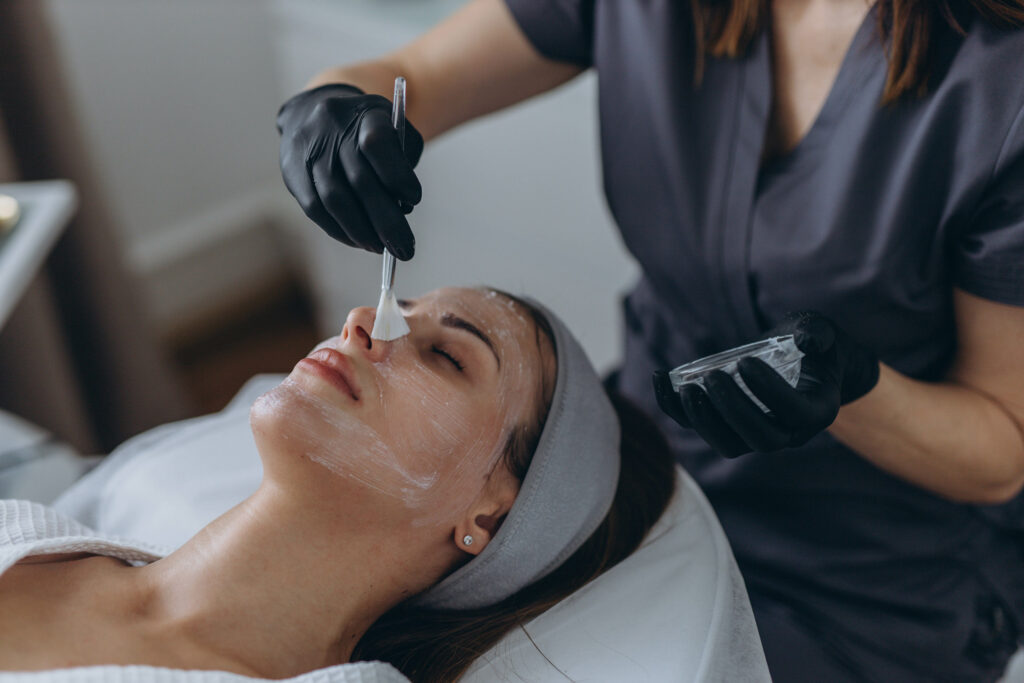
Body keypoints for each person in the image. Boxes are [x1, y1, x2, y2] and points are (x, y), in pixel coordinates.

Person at [275, 1, 1024, 680]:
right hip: (628, 473)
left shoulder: (1003, 82)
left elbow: (1001, 445)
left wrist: (852, 392)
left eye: (450, 353)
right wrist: (332, 106)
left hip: (864, 569)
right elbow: (418, 74)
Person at [0, 287, 676, 683]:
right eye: (397, 307)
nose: (364, 321)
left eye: (446, 355)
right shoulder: (30, 531)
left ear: (490, 517)